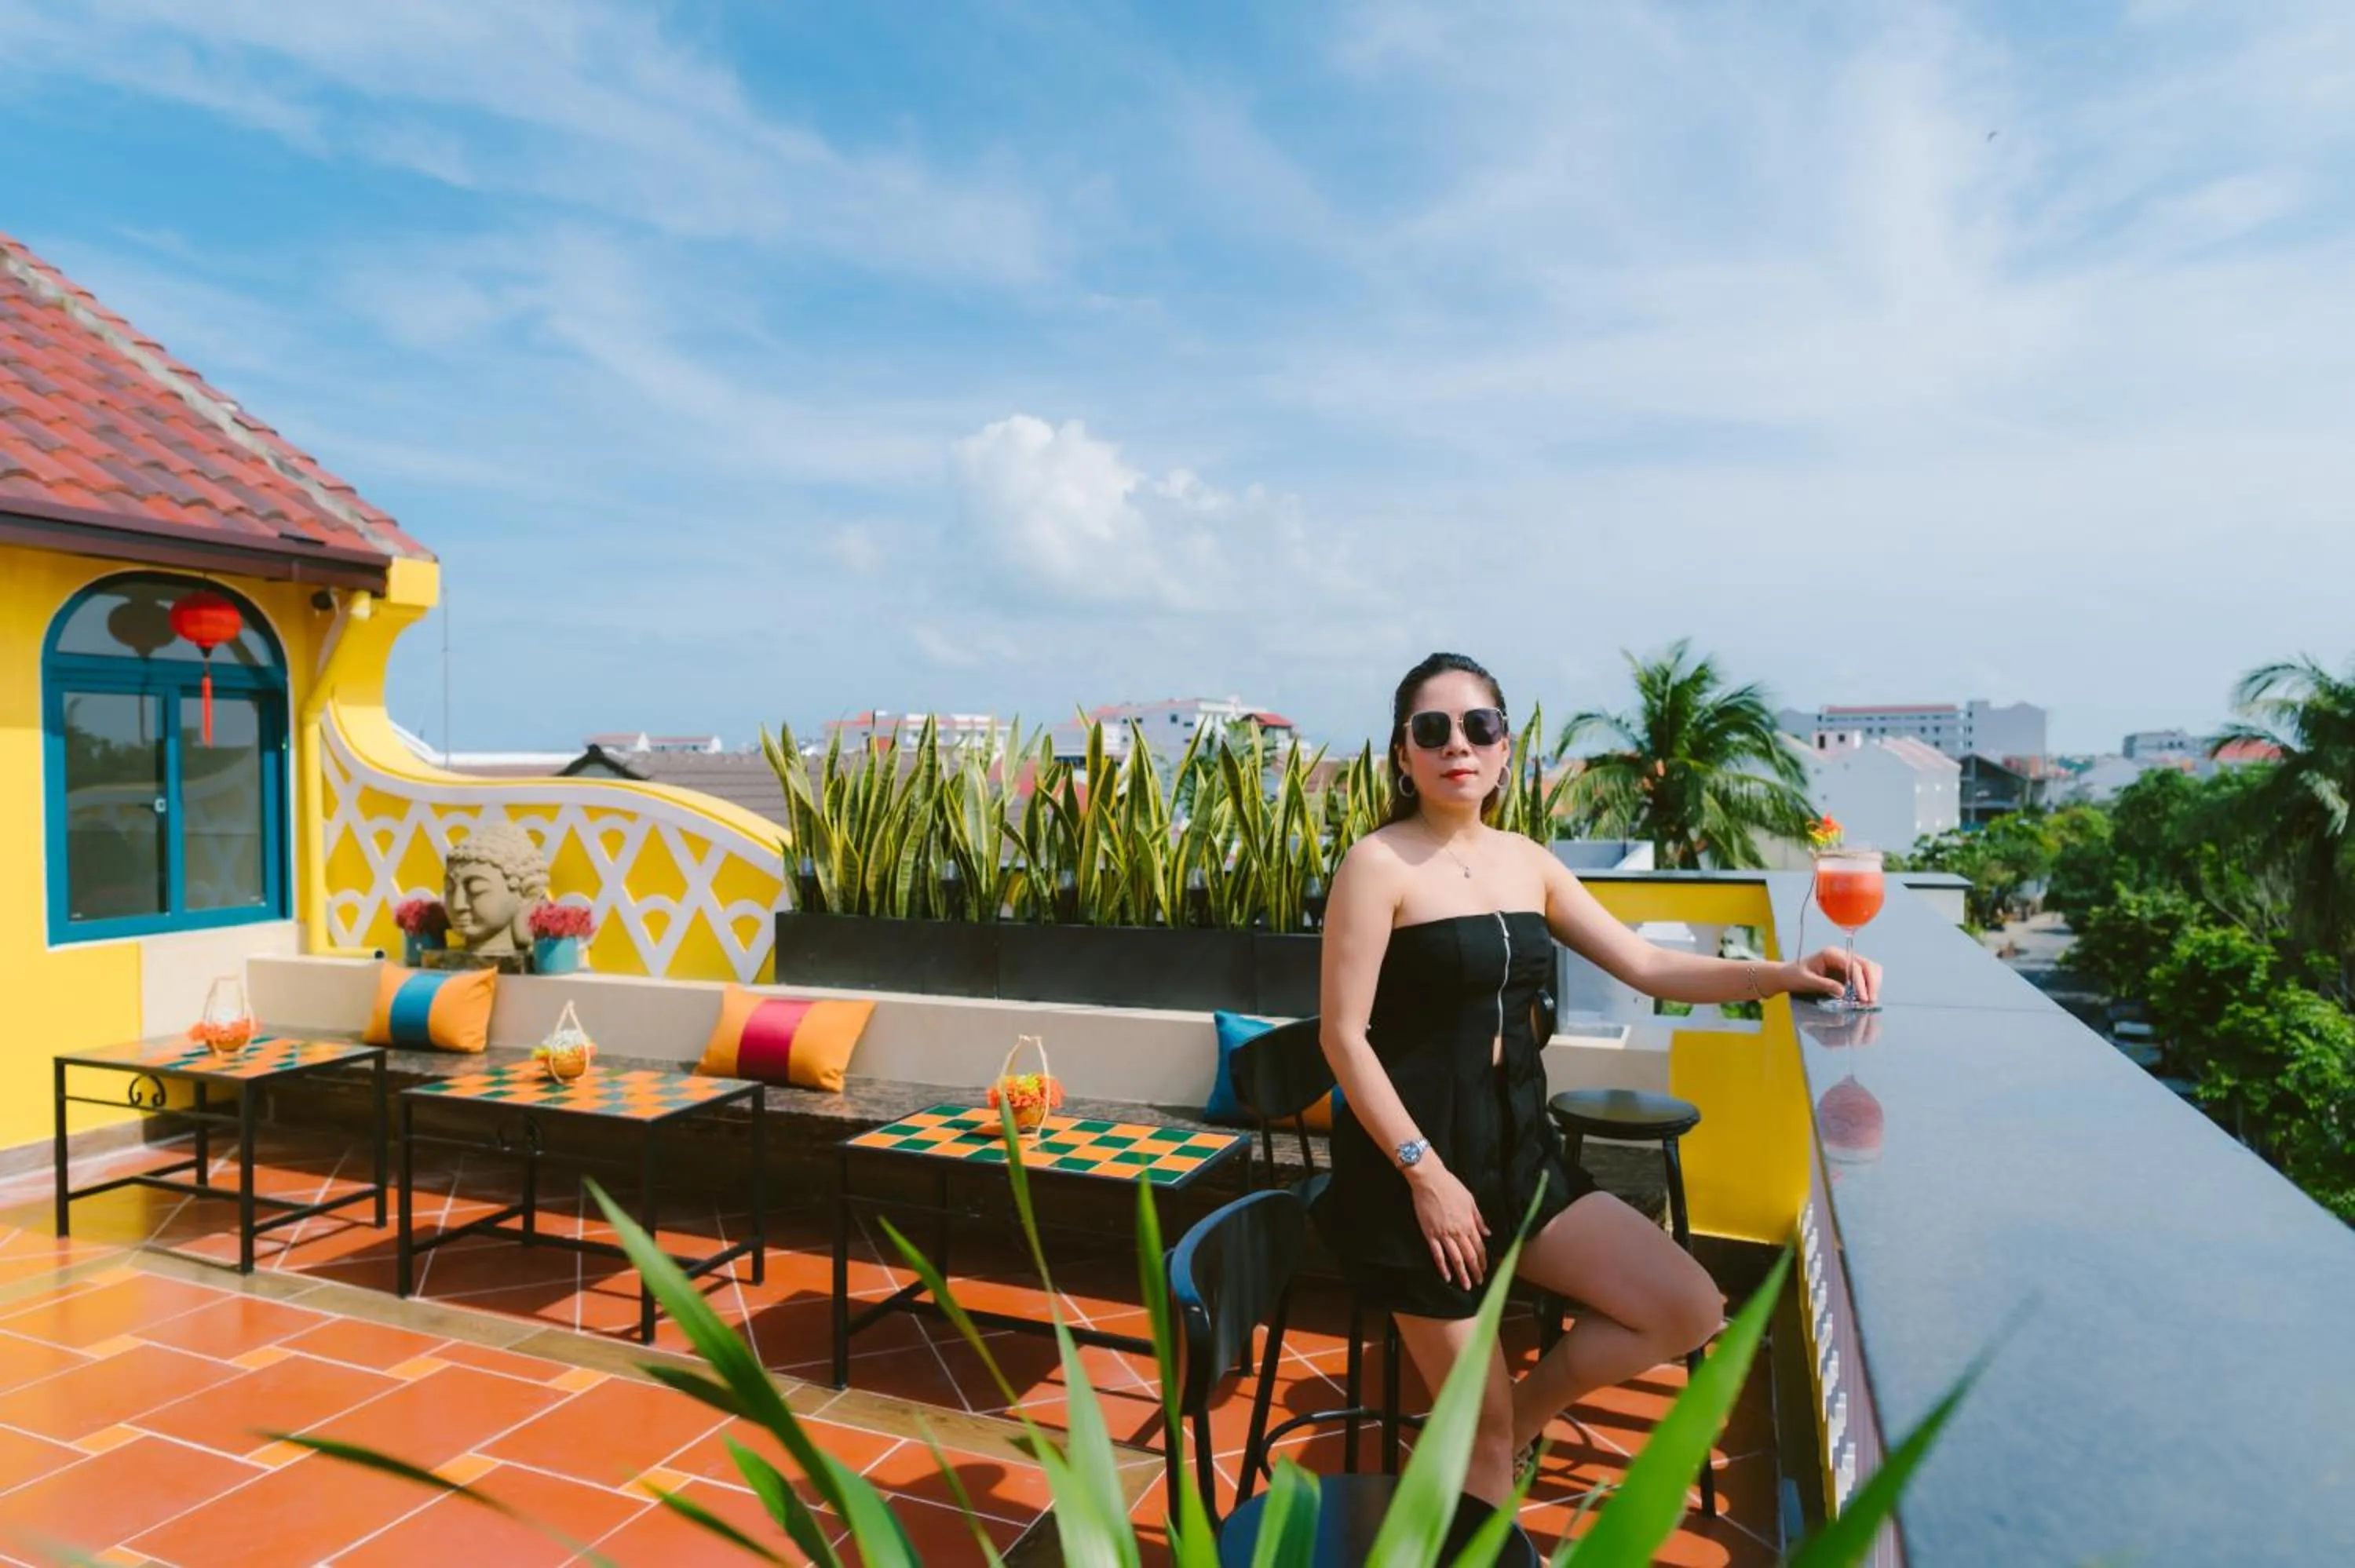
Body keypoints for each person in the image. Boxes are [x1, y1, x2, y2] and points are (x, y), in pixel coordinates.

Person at [1317, 651, 1880, 1506]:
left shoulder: (1528, 862)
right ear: (1402, 754)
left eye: (1480, 726)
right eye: (1431, 730)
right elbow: (1344, 1037)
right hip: (1414, 1177)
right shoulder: (1379, 865)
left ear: (1506, 748)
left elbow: (1649, 963)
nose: (1456, 745)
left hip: (1520, 1158)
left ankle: (1519, 1420)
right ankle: (1489, 1452)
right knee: (1481, 1437)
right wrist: (1423, 1174)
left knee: (1687, 1306)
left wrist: (1786, 972)